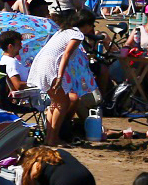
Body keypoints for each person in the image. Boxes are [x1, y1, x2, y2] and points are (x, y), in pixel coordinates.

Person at [28, 10, 98, 146]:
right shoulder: (77, 34)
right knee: (63, 103)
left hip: (41, 63)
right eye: (92, 25)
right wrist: (59, 76)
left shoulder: (64, 31)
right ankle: (53, 139)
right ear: (87, 24)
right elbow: (66, 55)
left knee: (55, 103)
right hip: (51, 66)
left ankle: (49, 138)